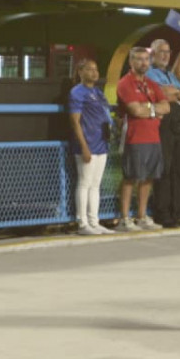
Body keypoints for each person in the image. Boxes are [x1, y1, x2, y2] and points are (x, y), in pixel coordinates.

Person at [116, 47, 170, 231]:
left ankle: (141, 216)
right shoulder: (125, 83)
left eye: (146, 59)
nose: (143, 63)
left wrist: (149, 108)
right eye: (139, 59)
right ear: (131, 62)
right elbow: (135, 111)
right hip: (134, 137)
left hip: (153, 137)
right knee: (131, 177)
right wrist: (154, 110)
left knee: (149, 178)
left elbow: (167, 107)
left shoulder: (150, 83)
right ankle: (124, 218)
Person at [146, 38, 180, 228]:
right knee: (164, 168)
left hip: (178, 122)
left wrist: (174, 92)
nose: (165, 55)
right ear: (153, 54)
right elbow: (162, 93)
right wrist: (174, 93)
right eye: (161, 52)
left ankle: (179, 212)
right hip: (163, 123)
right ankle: (162, 212)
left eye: (167, 52)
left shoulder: (170, 75)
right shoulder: (150, 73)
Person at [68, 58, 113, 235]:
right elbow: (75, 121)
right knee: (84, 183)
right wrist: (84, 146)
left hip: (101, 143)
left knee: (95, 184)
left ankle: (94, 221)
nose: (94, 73)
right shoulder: (77, 92)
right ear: (80, 72)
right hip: (87, 144)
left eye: (96, 69)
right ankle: (82, 222)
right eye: (90, 69)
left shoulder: (98, 92)